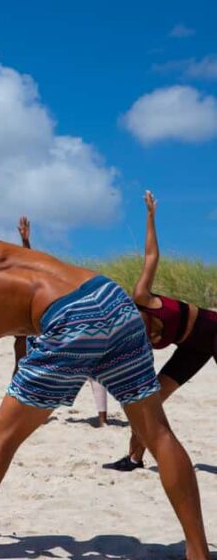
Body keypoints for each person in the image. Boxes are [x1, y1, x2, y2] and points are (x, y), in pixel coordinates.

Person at [0, 42, 213, 560]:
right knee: (156, 431)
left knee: (0, 442)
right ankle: (198, 557)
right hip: (109, 297)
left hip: (69, 322)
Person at [106, 191, 217, 471]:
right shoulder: (131, 339)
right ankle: (134, 458)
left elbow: (151, 255)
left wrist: (150, 217)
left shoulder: (141, 297)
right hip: (191, 348)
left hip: (213, 330)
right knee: (150, 402)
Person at [16, 216, 109, 427]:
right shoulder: (47, 282)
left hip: (62, 326)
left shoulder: (66, 285)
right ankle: (100, 420)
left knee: (87, 371)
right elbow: (31, 266)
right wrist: (25, 242)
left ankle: (102, 419)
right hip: (49, 326)